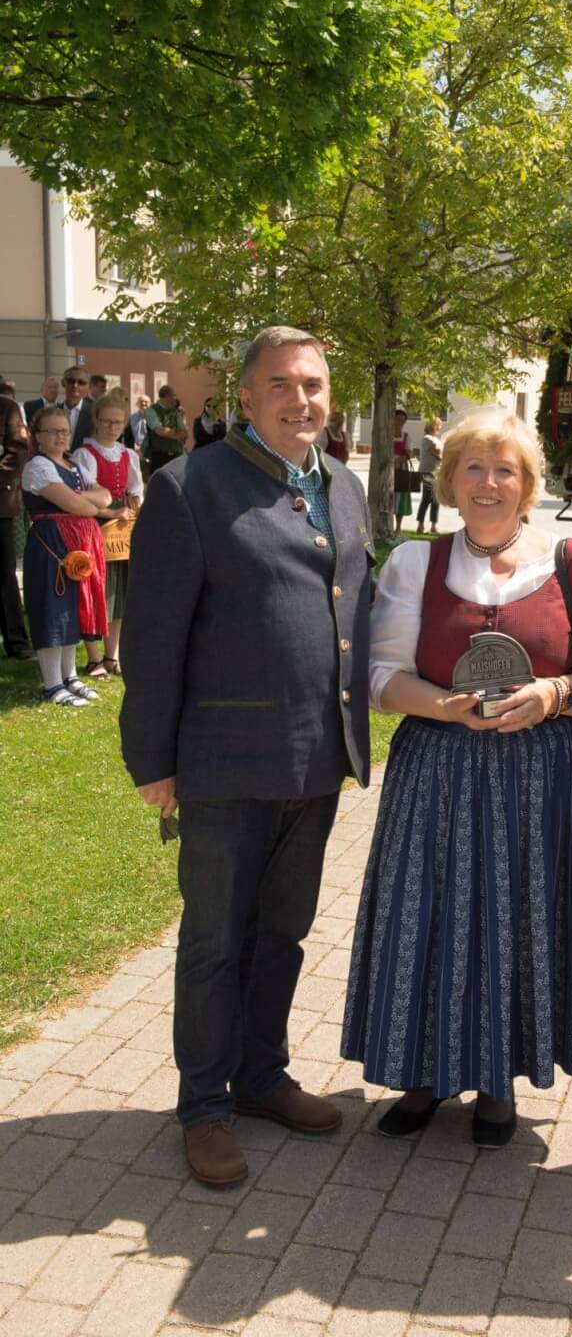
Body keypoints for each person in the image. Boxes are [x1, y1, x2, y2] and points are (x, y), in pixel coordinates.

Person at [120, 325, 373, 1188]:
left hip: (316, 758)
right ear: (246, 396)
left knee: (283, 934)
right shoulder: (188, 488)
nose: (301, 400)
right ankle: (204, 1105)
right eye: (282, 385)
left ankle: (262, 1076)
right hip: (224, 763)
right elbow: (153, 640)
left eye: (314, 384)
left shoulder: (344, 486)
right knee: (214, 941)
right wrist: (153, 760)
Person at [342, 410, 572, 1148]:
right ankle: (421, 1072)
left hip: (543, 776)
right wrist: (441, 705)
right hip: (438, 768)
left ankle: (499, 1081)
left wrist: (554, 694)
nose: (489, 483)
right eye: (473, 467)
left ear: (528, 484)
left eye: (505, 470)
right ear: (450, 480)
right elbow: (380, 676)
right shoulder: (416, 564)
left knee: (520, 921)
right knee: (427, 916)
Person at [21, 406, 110, 706]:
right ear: (38, 436)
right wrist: (88, 502)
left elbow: (106, 496)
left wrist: (83, 499)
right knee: (53, 608)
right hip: (51, 544)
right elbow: (80, 506)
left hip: (76, 544)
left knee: (72, 608)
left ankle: (69, 676)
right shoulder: (38, 466)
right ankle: (52, 683)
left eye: (64, 431)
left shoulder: (74, 466)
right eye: (52, 431)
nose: (60, 436)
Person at [74, 389, 144, 678]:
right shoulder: (85, 454)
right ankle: (93, 658)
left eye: (117, 422)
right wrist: (111, 512)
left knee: (118, 592)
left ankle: (111, 656)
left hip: (121, 527)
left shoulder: (128, 455)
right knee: (94, 589)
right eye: (106, 421)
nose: (112, 427)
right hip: (92, 522)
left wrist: (132, 508)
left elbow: (136, 489)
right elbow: (84, 494)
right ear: (96, 420)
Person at [0, 392, 32, 660]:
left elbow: (18, 451)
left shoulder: (7, 408)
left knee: (4, 574)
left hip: (0, 504)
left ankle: (16, 641)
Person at [143, 384, 187, 476]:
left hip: (176, 455)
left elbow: (185, 433)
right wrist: (176, 432)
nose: (175, 398)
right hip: (160, 457)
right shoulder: (151, 411)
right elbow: (160, 432)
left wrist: (169, 432)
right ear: (167, 396)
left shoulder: (175, 412)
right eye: (174, 395)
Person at [415, 417, 443, 534]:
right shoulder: (427, 438)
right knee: (427, 498)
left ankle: (433, 525)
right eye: (438, 425)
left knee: (436, 499)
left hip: (435, 472)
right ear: (434, 426)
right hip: (427, 472)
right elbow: (437, 452)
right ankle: (420, 525)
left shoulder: (435, 439)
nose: (440, 427)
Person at [58, 367, 96, 451]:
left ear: (88, 387)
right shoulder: (53, 412)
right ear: (63, 383)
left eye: (81, 382)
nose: (75, 385)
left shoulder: (95, 413)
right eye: (71, 381)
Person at [393, 407, 413, 534]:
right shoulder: (386, 435)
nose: (399, 422)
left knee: (400, 498)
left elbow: (409, 453)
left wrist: (397, 461)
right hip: (386, 469)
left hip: (401, 469)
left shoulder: (406, 436)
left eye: (402, 420)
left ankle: (398, 527)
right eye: (397, 419)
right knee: (387, 497)